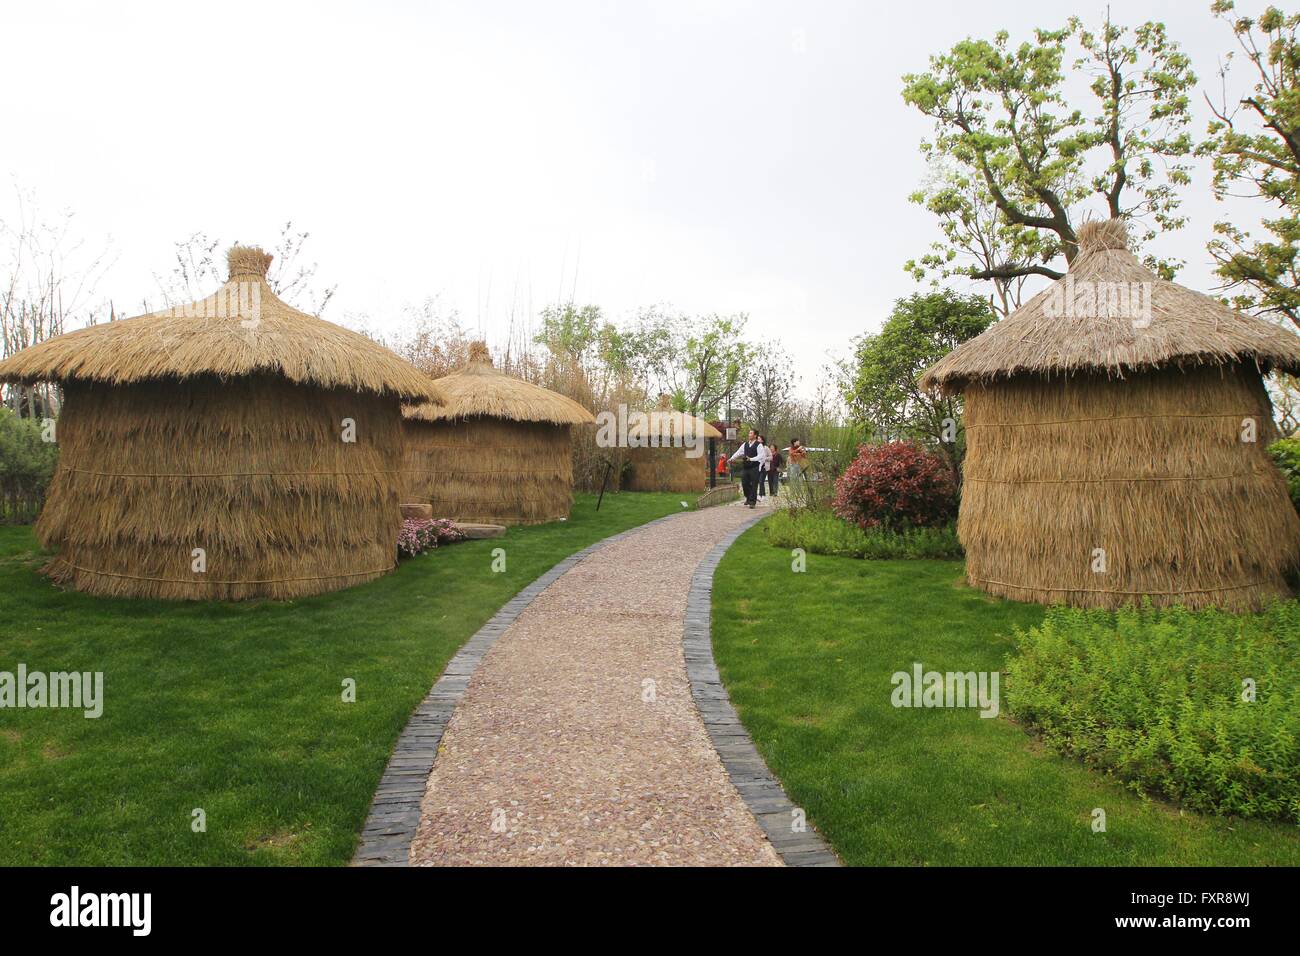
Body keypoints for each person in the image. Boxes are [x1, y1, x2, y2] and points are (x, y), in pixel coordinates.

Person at [728, 429, 763, 508]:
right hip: (746, 467)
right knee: (744, 483)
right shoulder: (745, 444)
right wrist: (731, 458)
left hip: (754, 467)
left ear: (755, 435)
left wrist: (751, 459)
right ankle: (748, 497)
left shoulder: (759, 445)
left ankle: (752, 502)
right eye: (749, 433)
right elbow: (739, 452)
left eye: (751, 433)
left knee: (754, 485)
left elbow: (761, 456)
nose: (749, 434)